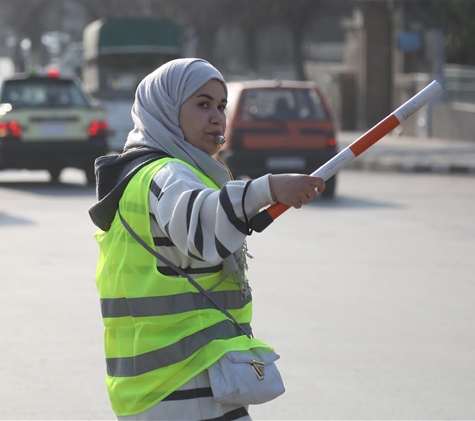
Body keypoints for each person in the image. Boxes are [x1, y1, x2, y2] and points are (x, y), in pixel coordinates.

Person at [89, 58, 324, 420]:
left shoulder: (147, 173)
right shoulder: (166, 172)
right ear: (165, 110)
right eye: (202, 105)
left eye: (221, 106)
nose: (217, 117)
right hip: (183, 385)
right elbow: (203, 228)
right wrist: (269, 187)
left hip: (171, 386)